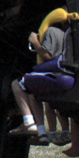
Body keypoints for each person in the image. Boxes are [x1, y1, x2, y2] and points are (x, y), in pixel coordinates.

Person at [10, 10, 74, 142]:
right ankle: (41, 133)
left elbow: (47, 55)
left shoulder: (52, 31)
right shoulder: (71, 36)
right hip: (68, 75)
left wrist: (35, 42)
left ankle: (28, 122)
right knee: (32, 94)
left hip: (55, 73)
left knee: (16, 84)